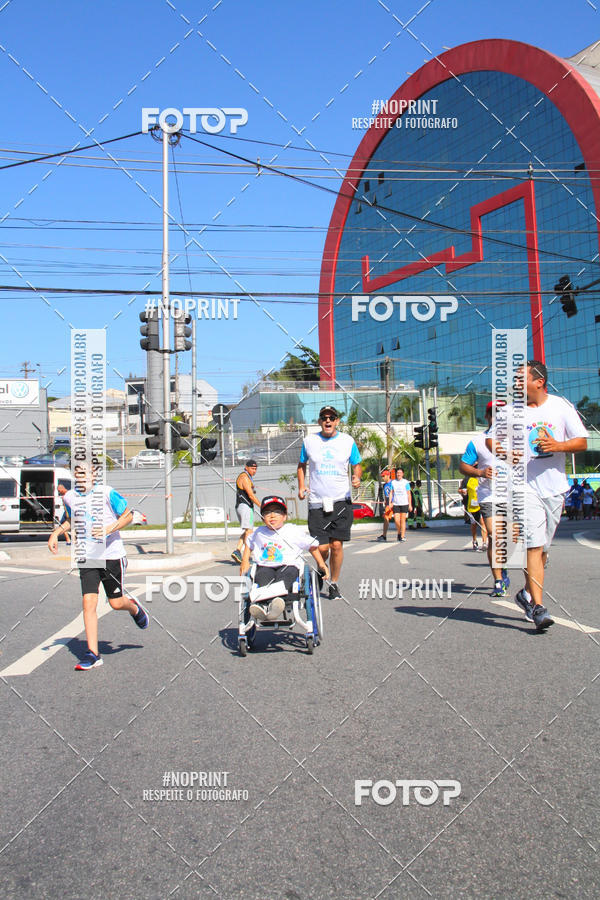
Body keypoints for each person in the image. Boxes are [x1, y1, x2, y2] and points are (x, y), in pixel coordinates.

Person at [487, 360, 588, 631]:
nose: (515, 383)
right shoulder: (510, 412)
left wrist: (558, 445)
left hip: (554, 488)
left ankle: (527, 595)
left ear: (539, 381)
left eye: (521, 378)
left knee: (543, 549)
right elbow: (490, 440)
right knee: (533, 544)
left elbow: (581, 441)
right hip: (523, 488)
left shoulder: (560, 407)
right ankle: (539, 609)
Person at [47, 464, 149, 670]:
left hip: (112, 556)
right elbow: (71, 520)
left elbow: (128, 515)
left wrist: (107, 529)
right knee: (88, 603)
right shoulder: (70, 498)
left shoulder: (107, 493)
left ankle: (134, 608)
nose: (82, 477)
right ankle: (93, 653)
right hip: (88, 557)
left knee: (116, 603)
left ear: (94, 474)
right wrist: (55, 534)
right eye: (78, 473)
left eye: (85, 472)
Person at [297, 405, 362, 599]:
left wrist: (357, 477)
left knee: (336, 546)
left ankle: (333, 583)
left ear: (337, 421)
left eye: (331, 418)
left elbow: (356, 465)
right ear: (319, 421)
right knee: (322, 547)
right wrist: (301, 486)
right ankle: (321, 568)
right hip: (317, 503)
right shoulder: (309, 441)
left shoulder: (347, 441)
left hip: (341, 501)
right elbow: (301, 466)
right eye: (324, 418)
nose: (328, 421)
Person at [240, 495, 330, 621]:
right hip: (265, 566)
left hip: (289, 566)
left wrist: (321, 564)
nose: (272, 515)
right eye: (267, 512)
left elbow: (312, 546)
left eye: (277, 512)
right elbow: (248, 543)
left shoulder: (292, 530)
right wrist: (244, 562)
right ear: (262, 518)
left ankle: (275, 603)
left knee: (285, 578)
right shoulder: (259, 532)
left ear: (284, 516)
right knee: (262, 578)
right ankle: (266, 606)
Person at [459, 400, 510, 596]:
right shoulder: (477, 442)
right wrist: (480, 473)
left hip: (514, 496)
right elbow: (463, 466)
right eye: (494, 413)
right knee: (494, 536)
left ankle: (503, 565)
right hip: (490, 496)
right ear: (487, 417)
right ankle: (498, 580)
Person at [231, 459, 260, 564]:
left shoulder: (248, 477)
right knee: (249, 532)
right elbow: (251, 495)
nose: (254, 471)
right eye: (252, 468)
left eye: (255, 469)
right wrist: (262, 506)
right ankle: (246, 557)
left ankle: (237, 550)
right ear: (246, 467)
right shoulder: (244, 477)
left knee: (248, 530)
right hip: (245, 506)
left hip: (244, 506)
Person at [458, 476, 488, 551]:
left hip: (482, 504)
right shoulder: (467, 479)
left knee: (483, 523)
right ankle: (474, 541)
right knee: (474, 524)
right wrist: (462, 491)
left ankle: (484, 543)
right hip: (471, 506)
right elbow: (460, 489)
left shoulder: (484, 478)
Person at [389, 467, 413, 541]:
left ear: (402, 474)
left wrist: (410, 504)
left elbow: (409, 494)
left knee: (403, 520)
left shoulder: (405, 482)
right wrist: (390, 502)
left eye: (400, 473)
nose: (398, 474)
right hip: (396, 503)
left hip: (404, 503)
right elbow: (391, 492)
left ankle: (402, 536)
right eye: (397, 473)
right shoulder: (393, 482)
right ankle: (399, 532)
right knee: (396, 520)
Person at [376, 469, 394, 541]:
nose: (383, 478)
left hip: (394, 503)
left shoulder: (393, 483)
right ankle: (384, 536)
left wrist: (392, 502)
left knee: (398, 518)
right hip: (388, 504)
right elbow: (387, 495)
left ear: (388, 475)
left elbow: (394, 493)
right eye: (382, 476)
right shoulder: (385, 485)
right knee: (386, 518)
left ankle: (401, 534)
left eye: (384, 476)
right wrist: (385, 501)